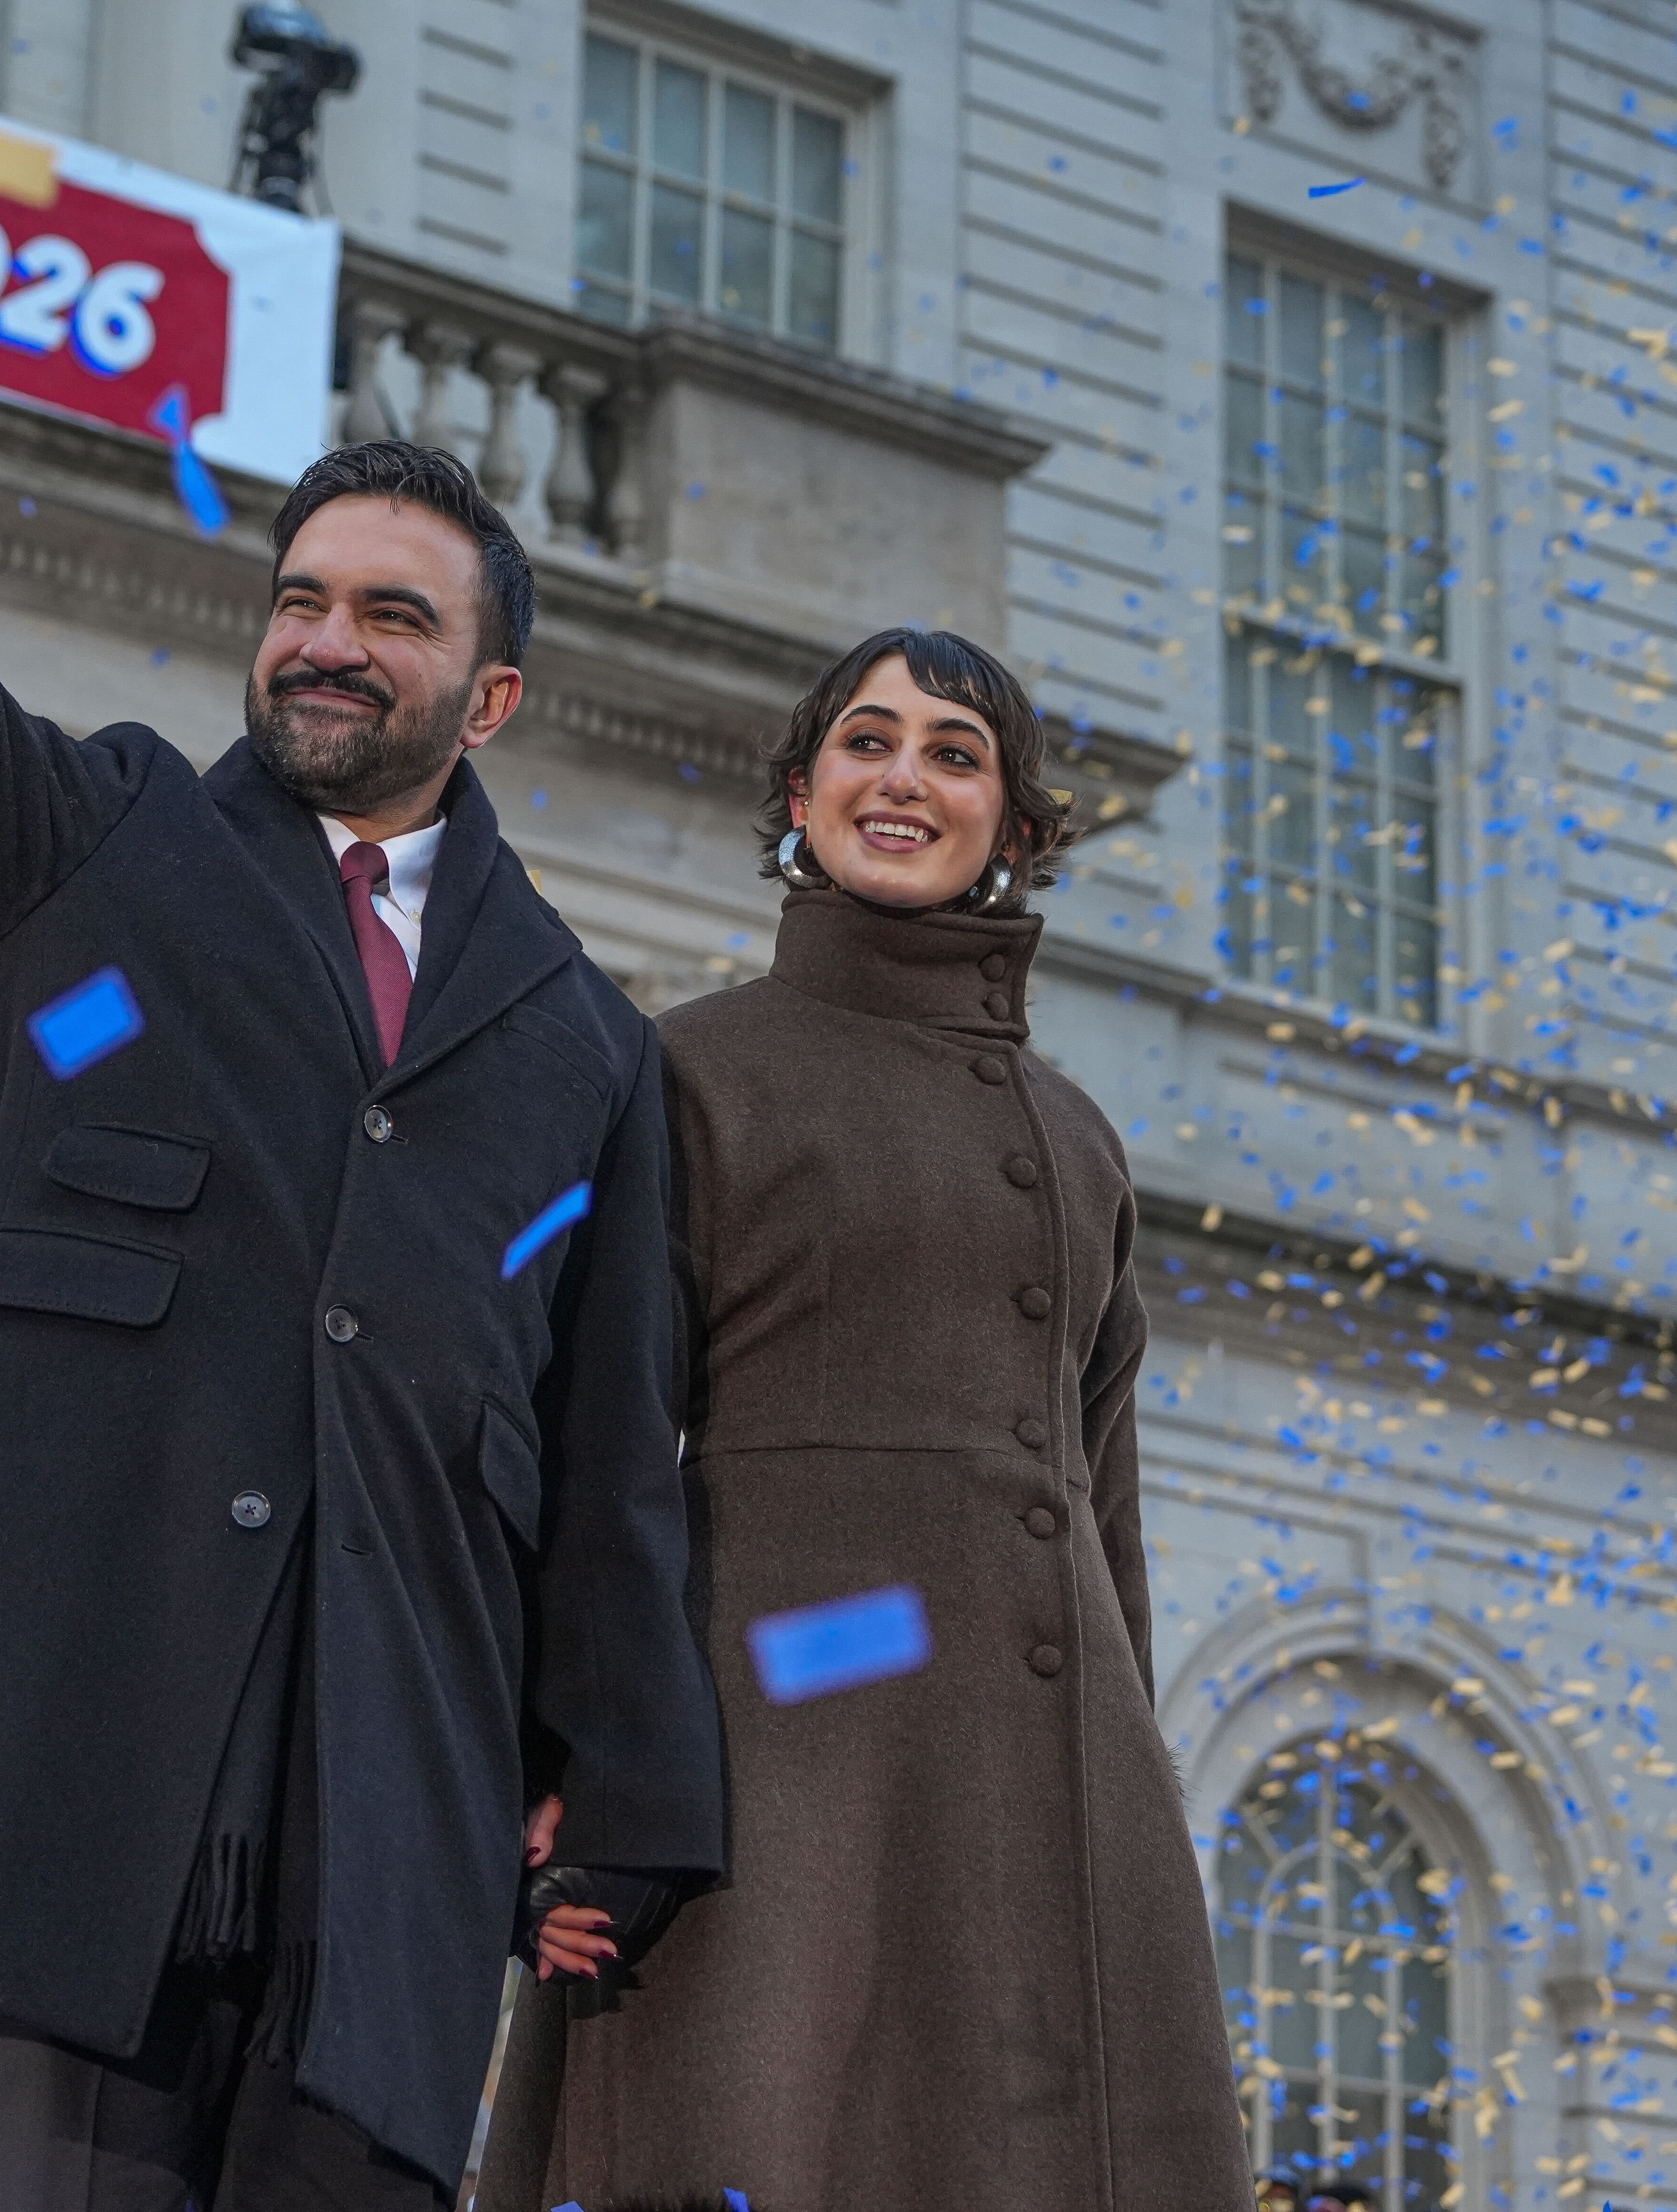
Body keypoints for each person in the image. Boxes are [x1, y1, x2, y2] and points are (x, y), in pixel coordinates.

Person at [0, 67, 721, 2212]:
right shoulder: (95, 838)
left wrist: (624, 1810)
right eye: (301, 596)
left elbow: (615, 1465)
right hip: (52, 1801)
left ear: (497, 694)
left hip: (386, 1866)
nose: (325, 641)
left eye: (391, 614)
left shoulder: (587, 1053)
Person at [527, 630, 1256, 2211]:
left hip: (1046, 1802)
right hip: (776, 1761)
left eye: (953, 750)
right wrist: (576, 1761)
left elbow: (1105, 1511)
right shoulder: (687, 1070)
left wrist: (1126, 1815)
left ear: (1015, 818)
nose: (903, 778)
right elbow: (595, 1443)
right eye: (866, 741)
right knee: (755, 2138)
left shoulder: (1080, 1140)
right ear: (801, 791)